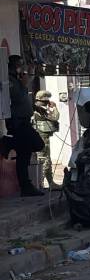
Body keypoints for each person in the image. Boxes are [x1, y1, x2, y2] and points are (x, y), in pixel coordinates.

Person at [6, 55, 45, 196]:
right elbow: (16, 97)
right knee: (38, 144)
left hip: (24, 121)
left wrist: (27, 76)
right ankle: (6, 143)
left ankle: (26, 186)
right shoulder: (9, 81)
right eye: (20, 64)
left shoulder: (17, 80)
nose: (22, 67)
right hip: (18, 122)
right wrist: (23, 83)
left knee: (24, 154)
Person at [33, 90, 60, 190]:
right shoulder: (40, 110)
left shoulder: (37, 108)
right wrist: (54, 107)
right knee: (45, 160)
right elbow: (55, 117)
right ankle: (40, 183)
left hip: (41, 137)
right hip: (42, 137)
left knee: (45, 159)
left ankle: (49, 183)